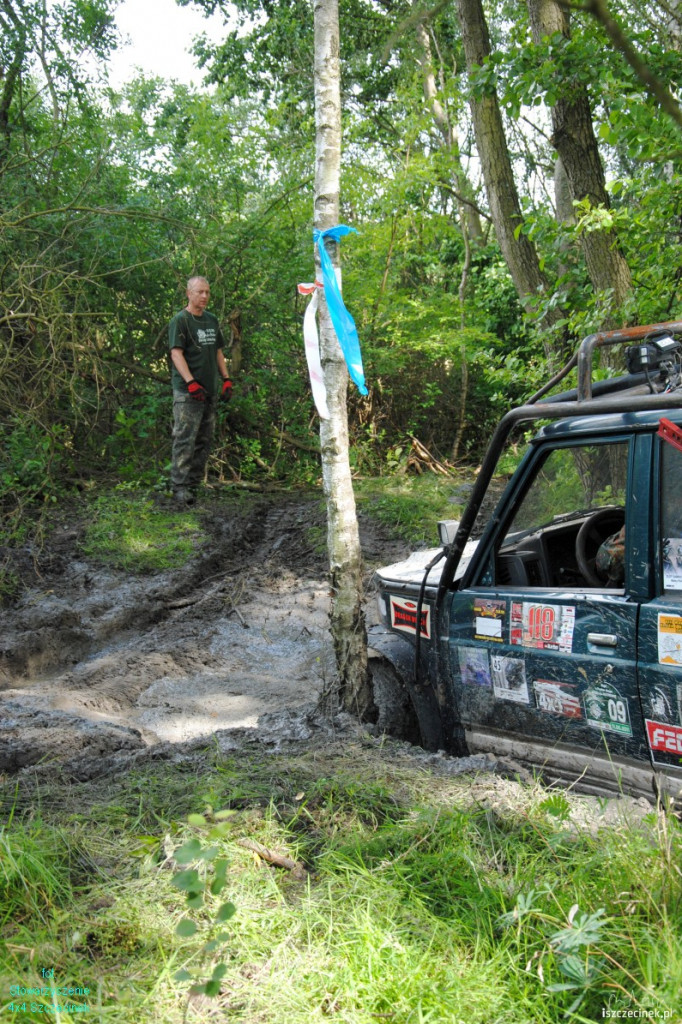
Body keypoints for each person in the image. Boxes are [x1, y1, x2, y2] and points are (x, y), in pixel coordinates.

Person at [168, 276, 232, 506]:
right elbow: (176, 354)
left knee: (204, 439)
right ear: (189, 293)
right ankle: (179, 487)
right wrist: (191, 382)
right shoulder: (181, 321)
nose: (204, 296)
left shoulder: (211, 320)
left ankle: (194, 485)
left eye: (207, 292)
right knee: (185, 438)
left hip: (209, 391)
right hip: (187, 393)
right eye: (200, 292)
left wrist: (226, 378)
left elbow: (217, 352)